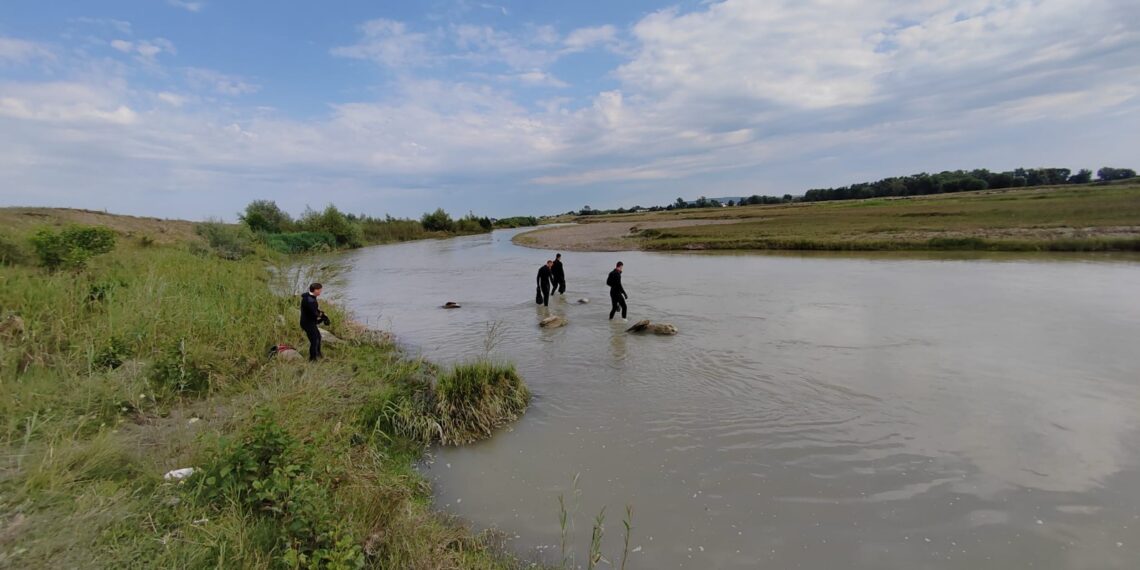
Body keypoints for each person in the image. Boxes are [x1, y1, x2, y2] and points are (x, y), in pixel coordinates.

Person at [300, 282, 327, 361]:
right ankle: (312, 359)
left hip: (309, 322)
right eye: (319, 290)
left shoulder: (309, 296)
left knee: (318, 337)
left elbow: (315, 310)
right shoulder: (309, 300)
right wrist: (323, 317)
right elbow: (314, 312)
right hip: (307, 323)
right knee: (314, 340)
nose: (320, 292)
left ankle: (318, 354)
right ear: (315, 290)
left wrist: (322, 314)